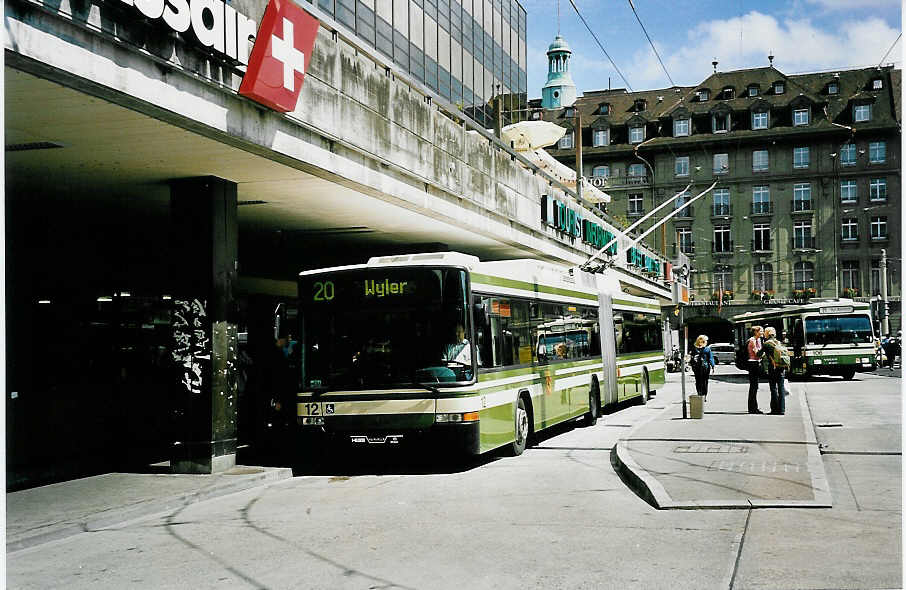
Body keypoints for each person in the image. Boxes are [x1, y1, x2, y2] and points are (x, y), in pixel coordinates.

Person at [758, 327, 786, 415]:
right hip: (781, 367)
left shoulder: (766, 344)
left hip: (772, 368)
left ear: (767, 334)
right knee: (781, 389)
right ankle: (782, 410)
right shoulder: (778, 342)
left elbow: (759, 354)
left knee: (773, 389)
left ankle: (774, 409)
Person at [690, 335, 716, 400]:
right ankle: (701, 394)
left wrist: (713, 365)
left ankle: (702, 394)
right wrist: (712, 366)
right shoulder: (698, 349)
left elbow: (710, 358)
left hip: (702, 367)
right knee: (702, 381)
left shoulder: (706, 349)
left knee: (701, 381)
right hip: (701, 367)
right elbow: (710, 358)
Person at [746, 325, 764, 414]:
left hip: (757, 362)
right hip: (753, 363)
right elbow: (757, 353)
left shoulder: (759, 340)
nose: (762, 332)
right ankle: (752, 408)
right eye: (761, 331)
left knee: (755, 386)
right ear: (756, 332)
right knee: (753, 386)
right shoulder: (752, 340)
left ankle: (753, 407)